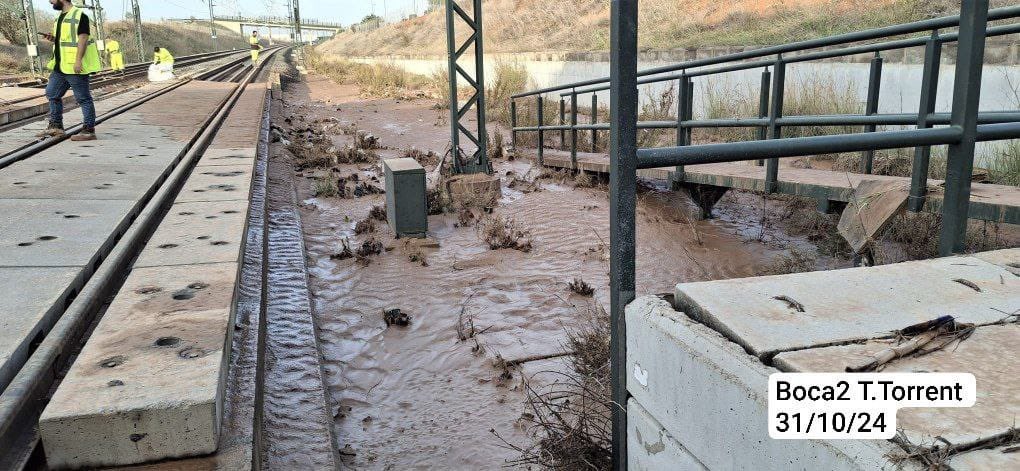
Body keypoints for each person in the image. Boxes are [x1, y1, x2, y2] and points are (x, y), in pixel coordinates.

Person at [37, 0, 102, 141]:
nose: (50, 2)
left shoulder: (80, 15)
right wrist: (53, 38)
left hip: (74, 66)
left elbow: (83, 39)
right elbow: (65, 40)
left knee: (83, 98)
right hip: (60, 66)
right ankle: (56, 126)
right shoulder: (60, 17)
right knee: (52, 93)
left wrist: (78, 61)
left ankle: (89, 130)